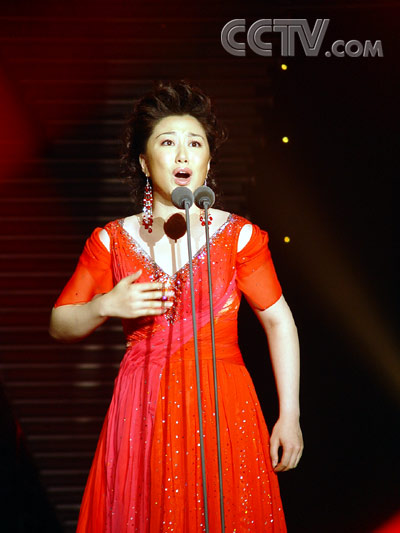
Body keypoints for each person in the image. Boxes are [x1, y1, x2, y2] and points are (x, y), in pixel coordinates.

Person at [49, 80, 303, 532]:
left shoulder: (239, 236)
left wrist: (290, 414)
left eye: (195, 143)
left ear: (208, 162)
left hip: (223, 405)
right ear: (145, 163)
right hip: (142, 407)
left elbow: (279, 321)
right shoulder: (112, 240)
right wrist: (105, 305)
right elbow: (60, 322)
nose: (183, 154)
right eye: (168, 143)